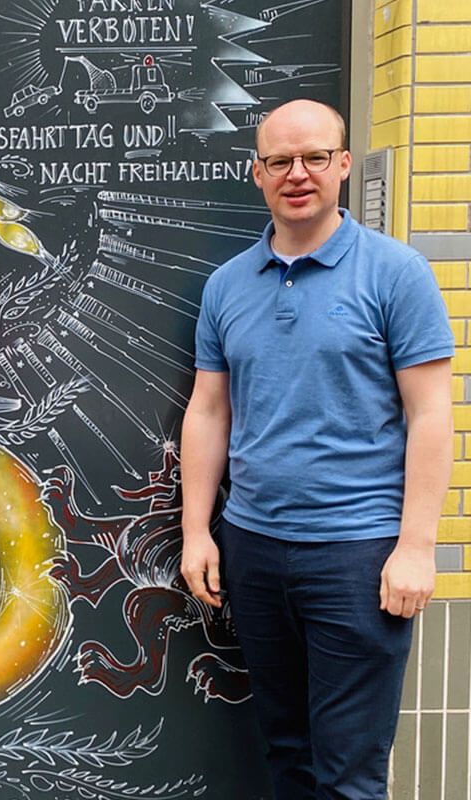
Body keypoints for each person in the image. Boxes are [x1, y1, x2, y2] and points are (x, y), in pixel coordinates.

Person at [180, 98, 453, 799]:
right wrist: (196, 533)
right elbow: (209, 411)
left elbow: (431, 416)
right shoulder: (228, 285)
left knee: (350, 770)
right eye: (279, 161)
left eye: (313, 158)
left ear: (342, 165)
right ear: (257, 173)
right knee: (288, 751)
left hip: (357, 555)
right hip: (255, 548)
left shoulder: (397, 274)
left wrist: (417, 548)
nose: (296, 174)